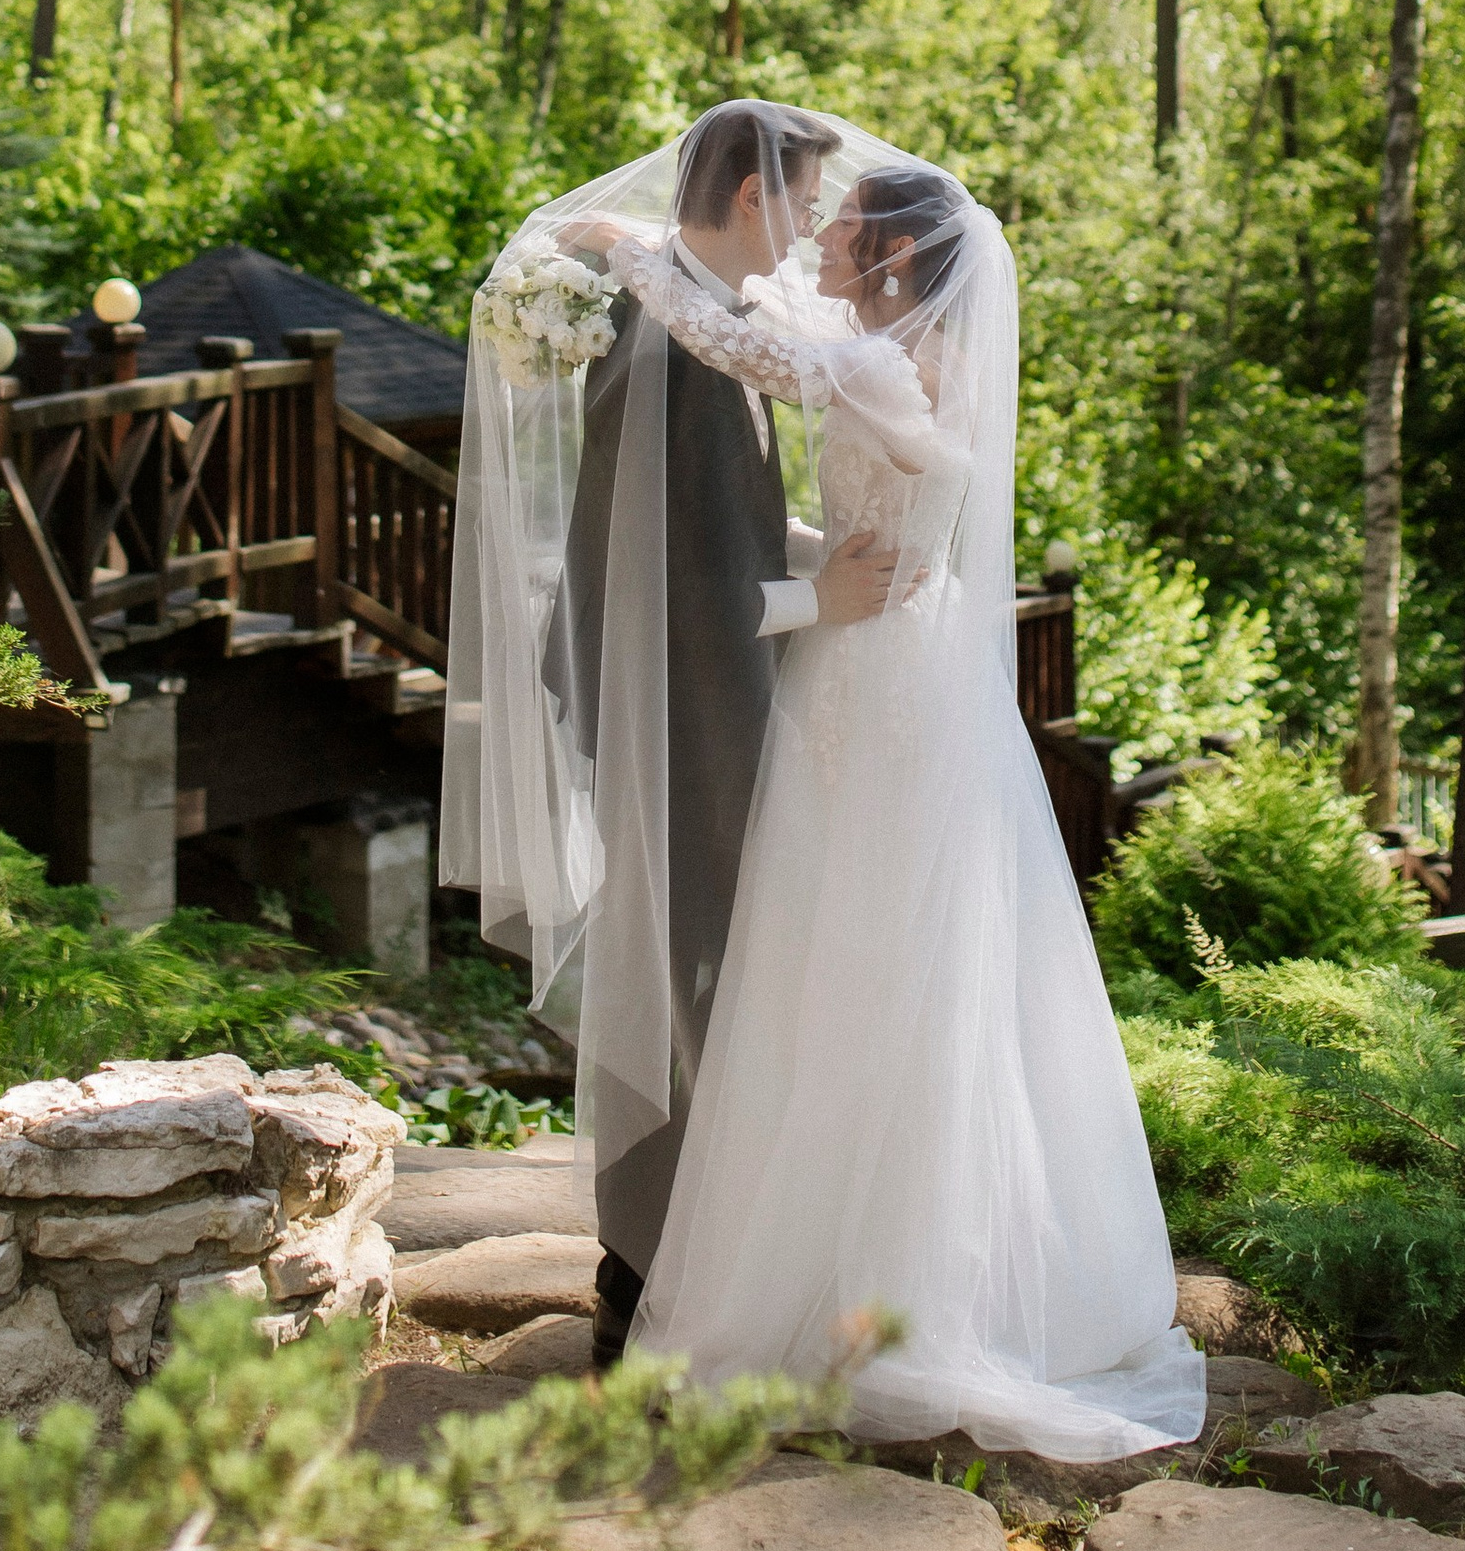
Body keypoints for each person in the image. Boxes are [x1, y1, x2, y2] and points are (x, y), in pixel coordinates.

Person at [442, 103, 1204, 1461]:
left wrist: (623, 247)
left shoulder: (847, 359)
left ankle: (816, 1272)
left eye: (843, 224)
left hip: (870, 688)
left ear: (894, 265)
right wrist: (812, 574)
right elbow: (699, 542)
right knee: (797, 976)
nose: (818, 232)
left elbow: (750, 354)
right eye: (808, 203)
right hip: (802, 683)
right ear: (752, 192)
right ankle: (704, 1268)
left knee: (842, 975)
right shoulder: (835, 352)